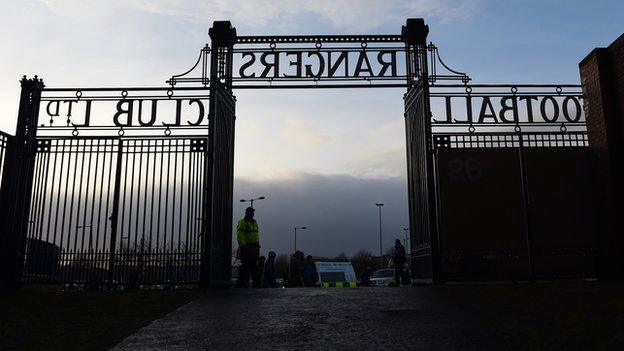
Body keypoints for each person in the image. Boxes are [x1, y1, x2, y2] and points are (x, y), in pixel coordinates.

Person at [235, 207, 260, 288]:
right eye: (251, 212)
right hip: (247, 247)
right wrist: (243, 246)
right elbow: (239, 235)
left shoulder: (254, 222)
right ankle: (242, 284)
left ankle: (252, 284)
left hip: (254, 247)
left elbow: (256, 234)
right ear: (246, 213)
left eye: (253, 212)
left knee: (253, 266)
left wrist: (258, 244)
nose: (253, 214)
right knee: (245, 266)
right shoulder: (242, 222)